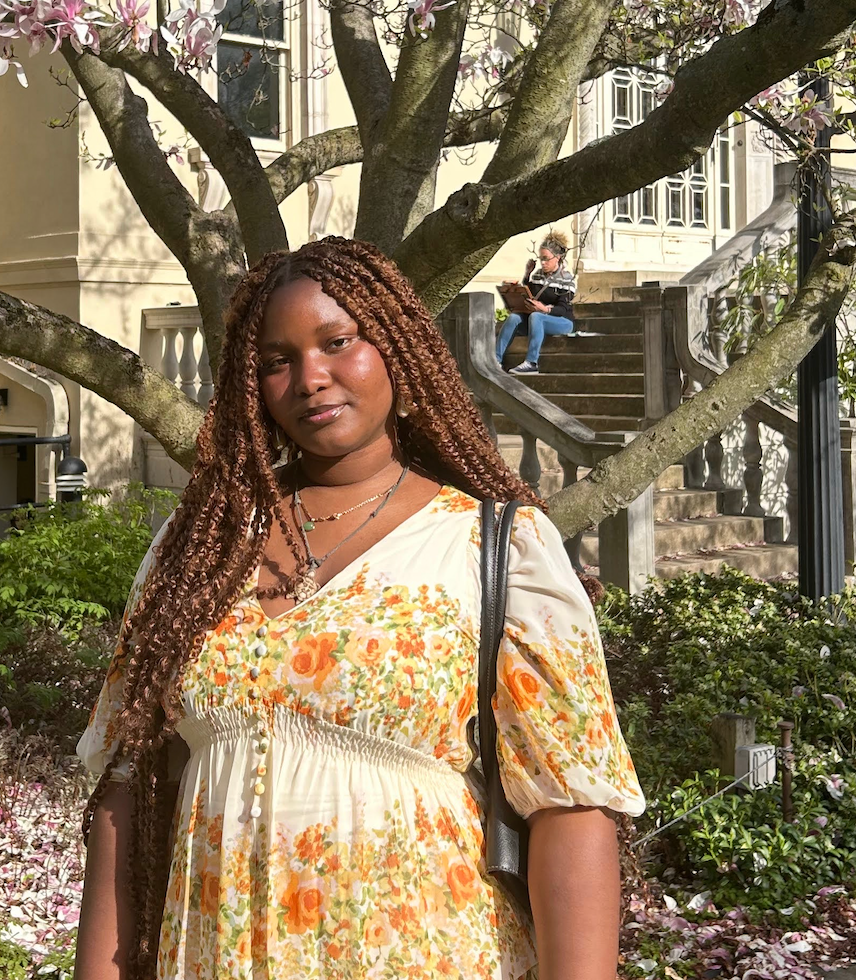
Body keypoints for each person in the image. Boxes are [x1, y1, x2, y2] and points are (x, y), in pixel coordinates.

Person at [74, 237, 644, 980]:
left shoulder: (493, 546)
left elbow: (571, 808)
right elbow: (129, 787)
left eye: (338, 342)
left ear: (398, 349)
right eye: (277, 360)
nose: (311, 377)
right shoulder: (198, 553)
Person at [496, 234, 577, 374]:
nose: (543, 263)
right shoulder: (538, 275)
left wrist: (544, 309)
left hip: (562, 322)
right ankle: (495, 360)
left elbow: (562, 309)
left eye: (546, 259)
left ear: (557, 257)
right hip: (538, 320)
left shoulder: (567, 279)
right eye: (541, 259)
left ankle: (531, 362)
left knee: (536, 316)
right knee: (514, 317)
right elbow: (532, 295)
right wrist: (525, 279)